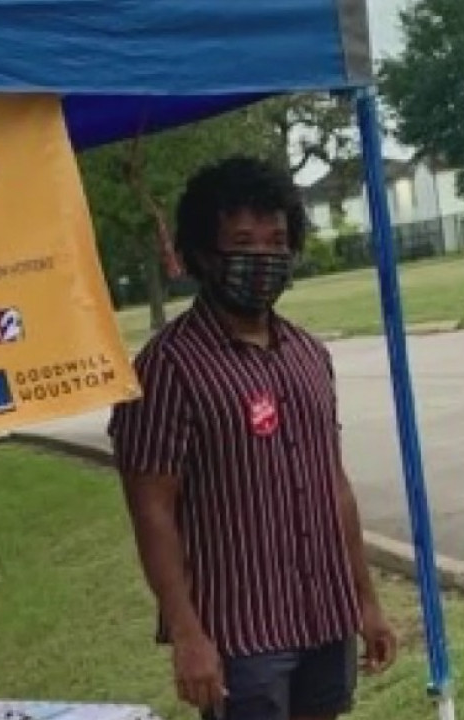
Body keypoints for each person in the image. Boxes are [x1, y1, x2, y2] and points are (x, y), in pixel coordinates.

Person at [107, 156, 398, 720]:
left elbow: (333, 484)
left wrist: (365, 600)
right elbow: (152, 510)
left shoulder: (309, 356)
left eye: (277, 240)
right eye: (243, 240)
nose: (263, 256)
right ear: (202, 254)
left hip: (325, 618)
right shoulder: (168, 367)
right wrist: (187, 634)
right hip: (241, 638)